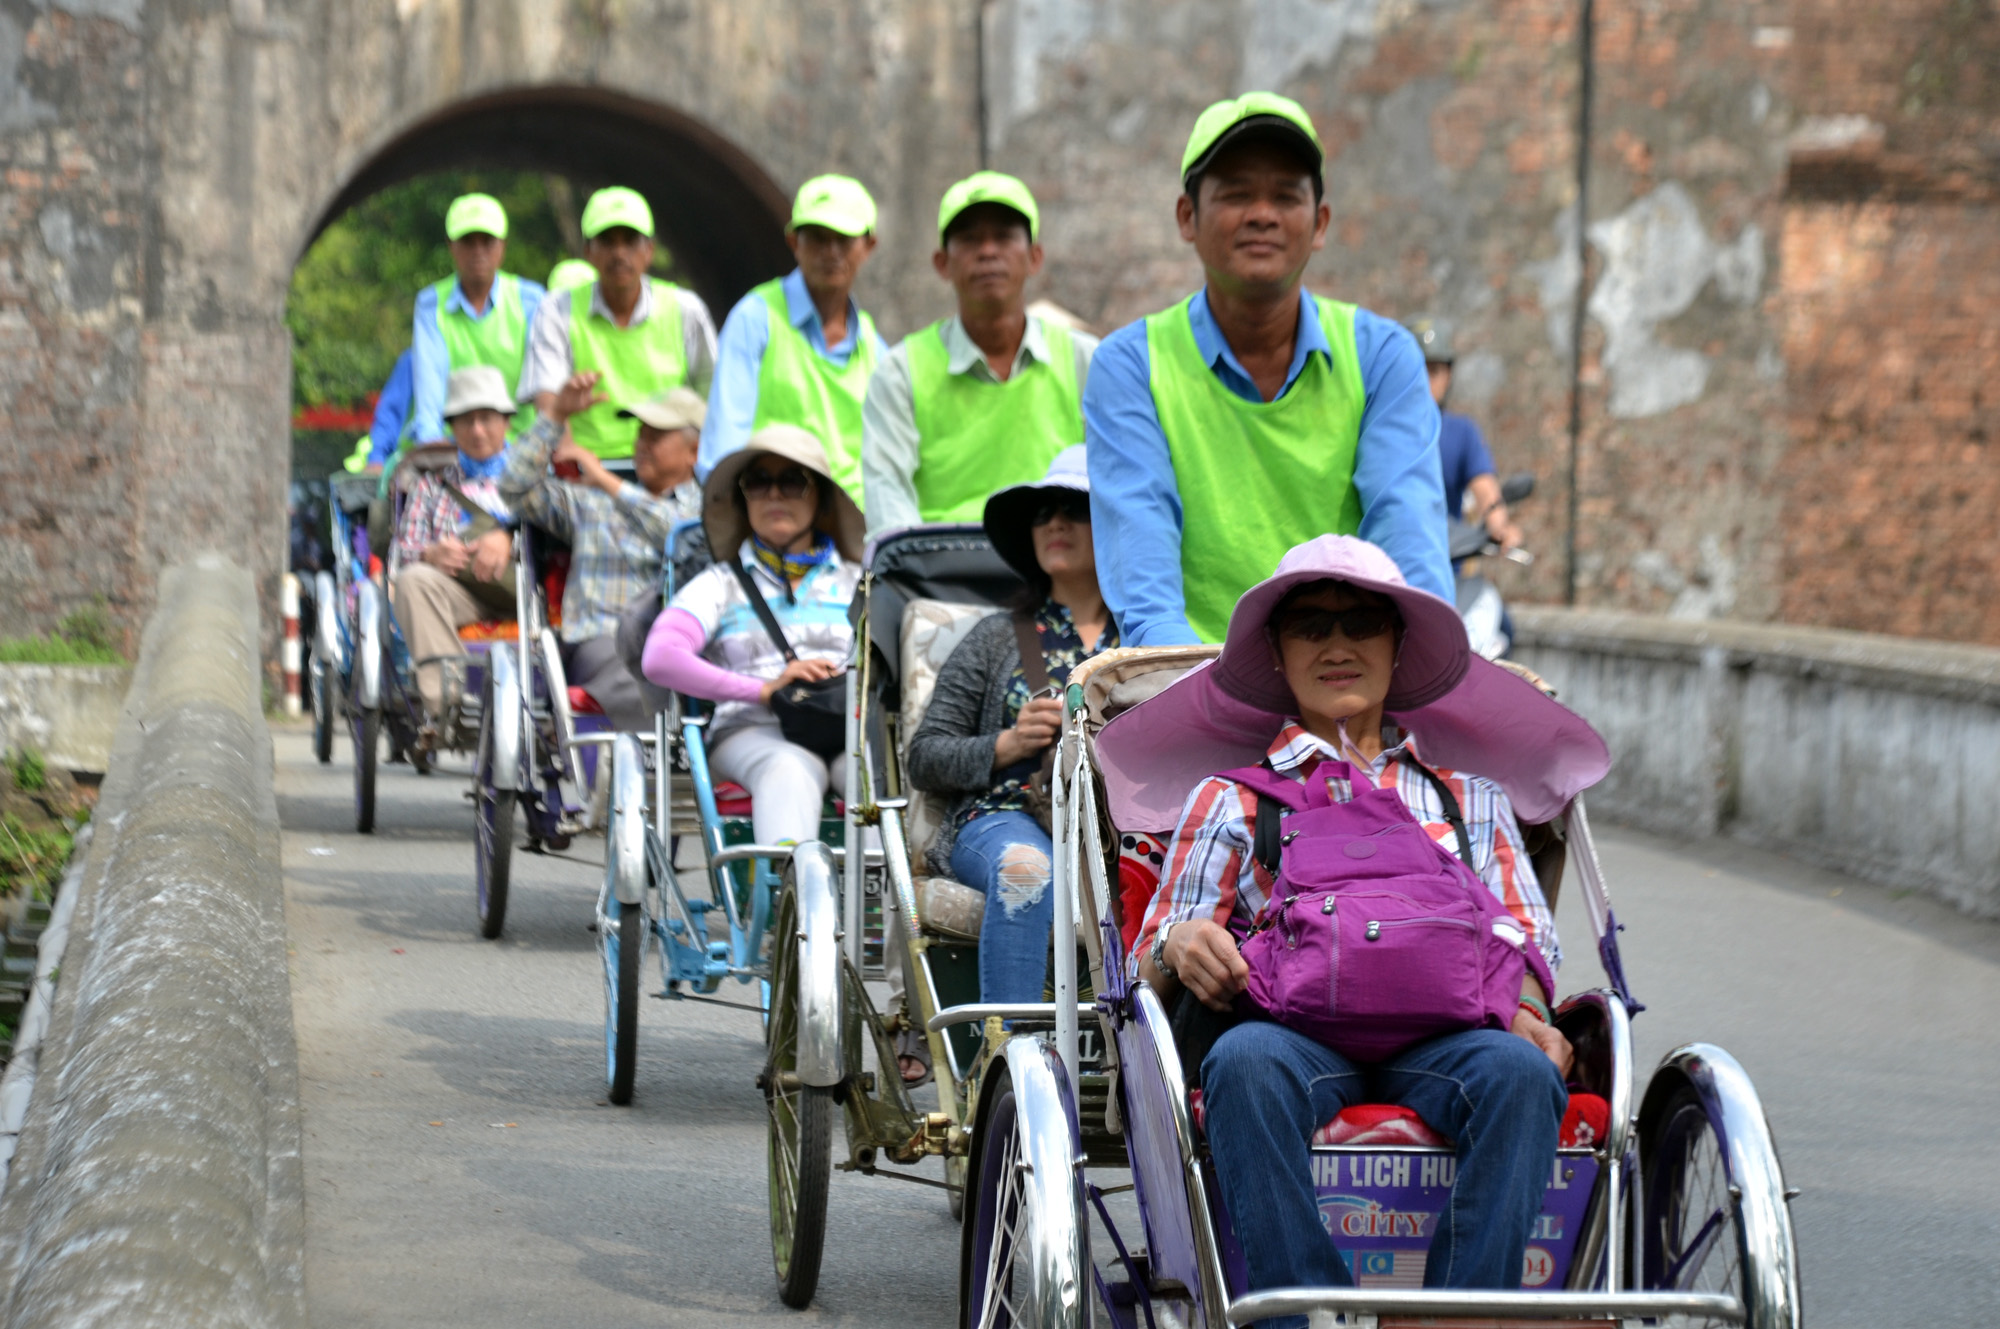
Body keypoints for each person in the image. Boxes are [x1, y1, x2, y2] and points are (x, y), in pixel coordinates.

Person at [1130, 535, 1569, 1325]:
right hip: (1292, 1036)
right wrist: (1182, 943)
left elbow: (1524, 935)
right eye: (1311, 625)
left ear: (1396, 645)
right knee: (1242, 1061)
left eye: (1361, 622)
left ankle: (1456, 1319)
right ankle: (1295, 1316)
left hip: (1447, 1037)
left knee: (1522, 1074)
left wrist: (1533, 1009)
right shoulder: (1232, 798)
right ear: (1278, 650)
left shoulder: (1468, 797)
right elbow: (1153, 945)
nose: (1337, 644)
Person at [1084, 93, 1453, 645]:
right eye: (1235, 195)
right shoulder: (1132, 366)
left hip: (1351, 691)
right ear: (1188, 217)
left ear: (1320, 223)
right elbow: (1147, 597)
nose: (1262, 214)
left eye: (1286, 195)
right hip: (1191, 686)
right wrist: (1212, 709)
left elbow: (1412, 563)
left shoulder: (1381, 357)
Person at [907, 445, 1116, 1006]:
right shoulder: (995, 637)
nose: (1053, 523)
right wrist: (1008, 743)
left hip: (1122, 830)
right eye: (1042, 512)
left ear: (1118, 525)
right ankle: (1014, 1073)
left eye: (1074, 509)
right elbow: (924, 756)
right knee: (1025, 870)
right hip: (1006, 819)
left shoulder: (1145, 638)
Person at [639, 424, 863, 846]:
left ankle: (880, 909)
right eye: (758, 482)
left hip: (848, 729)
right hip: (752, 731)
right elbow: (660, 657)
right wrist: (765, 690)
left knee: (871, 775)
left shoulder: (861, 583)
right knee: (790, 767)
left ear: (822, 498)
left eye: (792, 481)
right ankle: (789, 905)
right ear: (743, 499)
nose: (774, 495)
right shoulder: (719, 583)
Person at [861, 172, 1098, 530]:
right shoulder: (900, 373)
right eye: (970, 239)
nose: (988, 252)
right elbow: (888, 499)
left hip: (1060, 571)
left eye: (1004, 237)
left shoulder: (1086, 362)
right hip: (941, 575)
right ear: (942, 263)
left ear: (1034, 257)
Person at [497, 376, 704, 731]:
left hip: (683, 644)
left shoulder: (706, 508)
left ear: (694, 452)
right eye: (641, 434)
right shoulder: (592, 501)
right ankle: (639, 758)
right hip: (603, 641)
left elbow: (679, 535)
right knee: (632, 673)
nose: (642, 445)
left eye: (656, 436)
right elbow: (513, 487)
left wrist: (609, 482)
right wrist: (556, 416)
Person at [699, 175, 887, 506]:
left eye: (843, 240)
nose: (830, 252)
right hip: (770, 515)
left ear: (869, 246)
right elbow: (724, 446)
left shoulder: (874, 346)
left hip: (856, 525)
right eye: (817, 238)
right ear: (793, 242)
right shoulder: (756, 319)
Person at [520, 187, 718, 461]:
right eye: (607, 241)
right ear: (588, 251)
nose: (619, 253)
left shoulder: (685, 309)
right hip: (587, 469)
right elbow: (548, 396)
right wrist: (569, 457)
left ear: (649, 250)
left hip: (668, 470)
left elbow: (712, 395)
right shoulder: (558, 309)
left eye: (630, 241)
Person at [390, 366, 519, 737]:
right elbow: (402, 554)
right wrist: (431, 554)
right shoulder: (433, 487)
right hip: (460, 594)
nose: (477, 430)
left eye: (486, 419)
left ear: (506, 422)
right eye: (466, 421)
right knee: (413, 579)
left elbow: (560, 531)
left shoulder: (532, 479)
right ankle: (445, 703)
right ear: (452, 428)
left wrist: (507, 535)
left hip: (526, 593)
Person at [410, 193, 547, 445]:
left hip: (521, 446)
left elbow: (543, 387)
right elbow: (429, 396)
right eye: (467, 241)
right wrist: (432, 450)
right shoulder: (430, 305)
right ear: (451, 246)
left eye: (487, 241)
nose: (478, 251)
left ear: (502, 245)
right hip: (456, 447)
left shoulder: (531, 300)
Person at [1409, 317, 1522, 551]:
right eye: (1415, 368)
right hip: (1386, 565)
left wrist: (1498, 524)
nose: (1424, 380)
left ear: (1448, 376)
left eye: (1434, 371)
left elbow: (1485, 490)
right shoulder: (1378, 430)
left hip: (1447, 563)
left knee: (1485, 590)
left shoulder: (1461, 433)